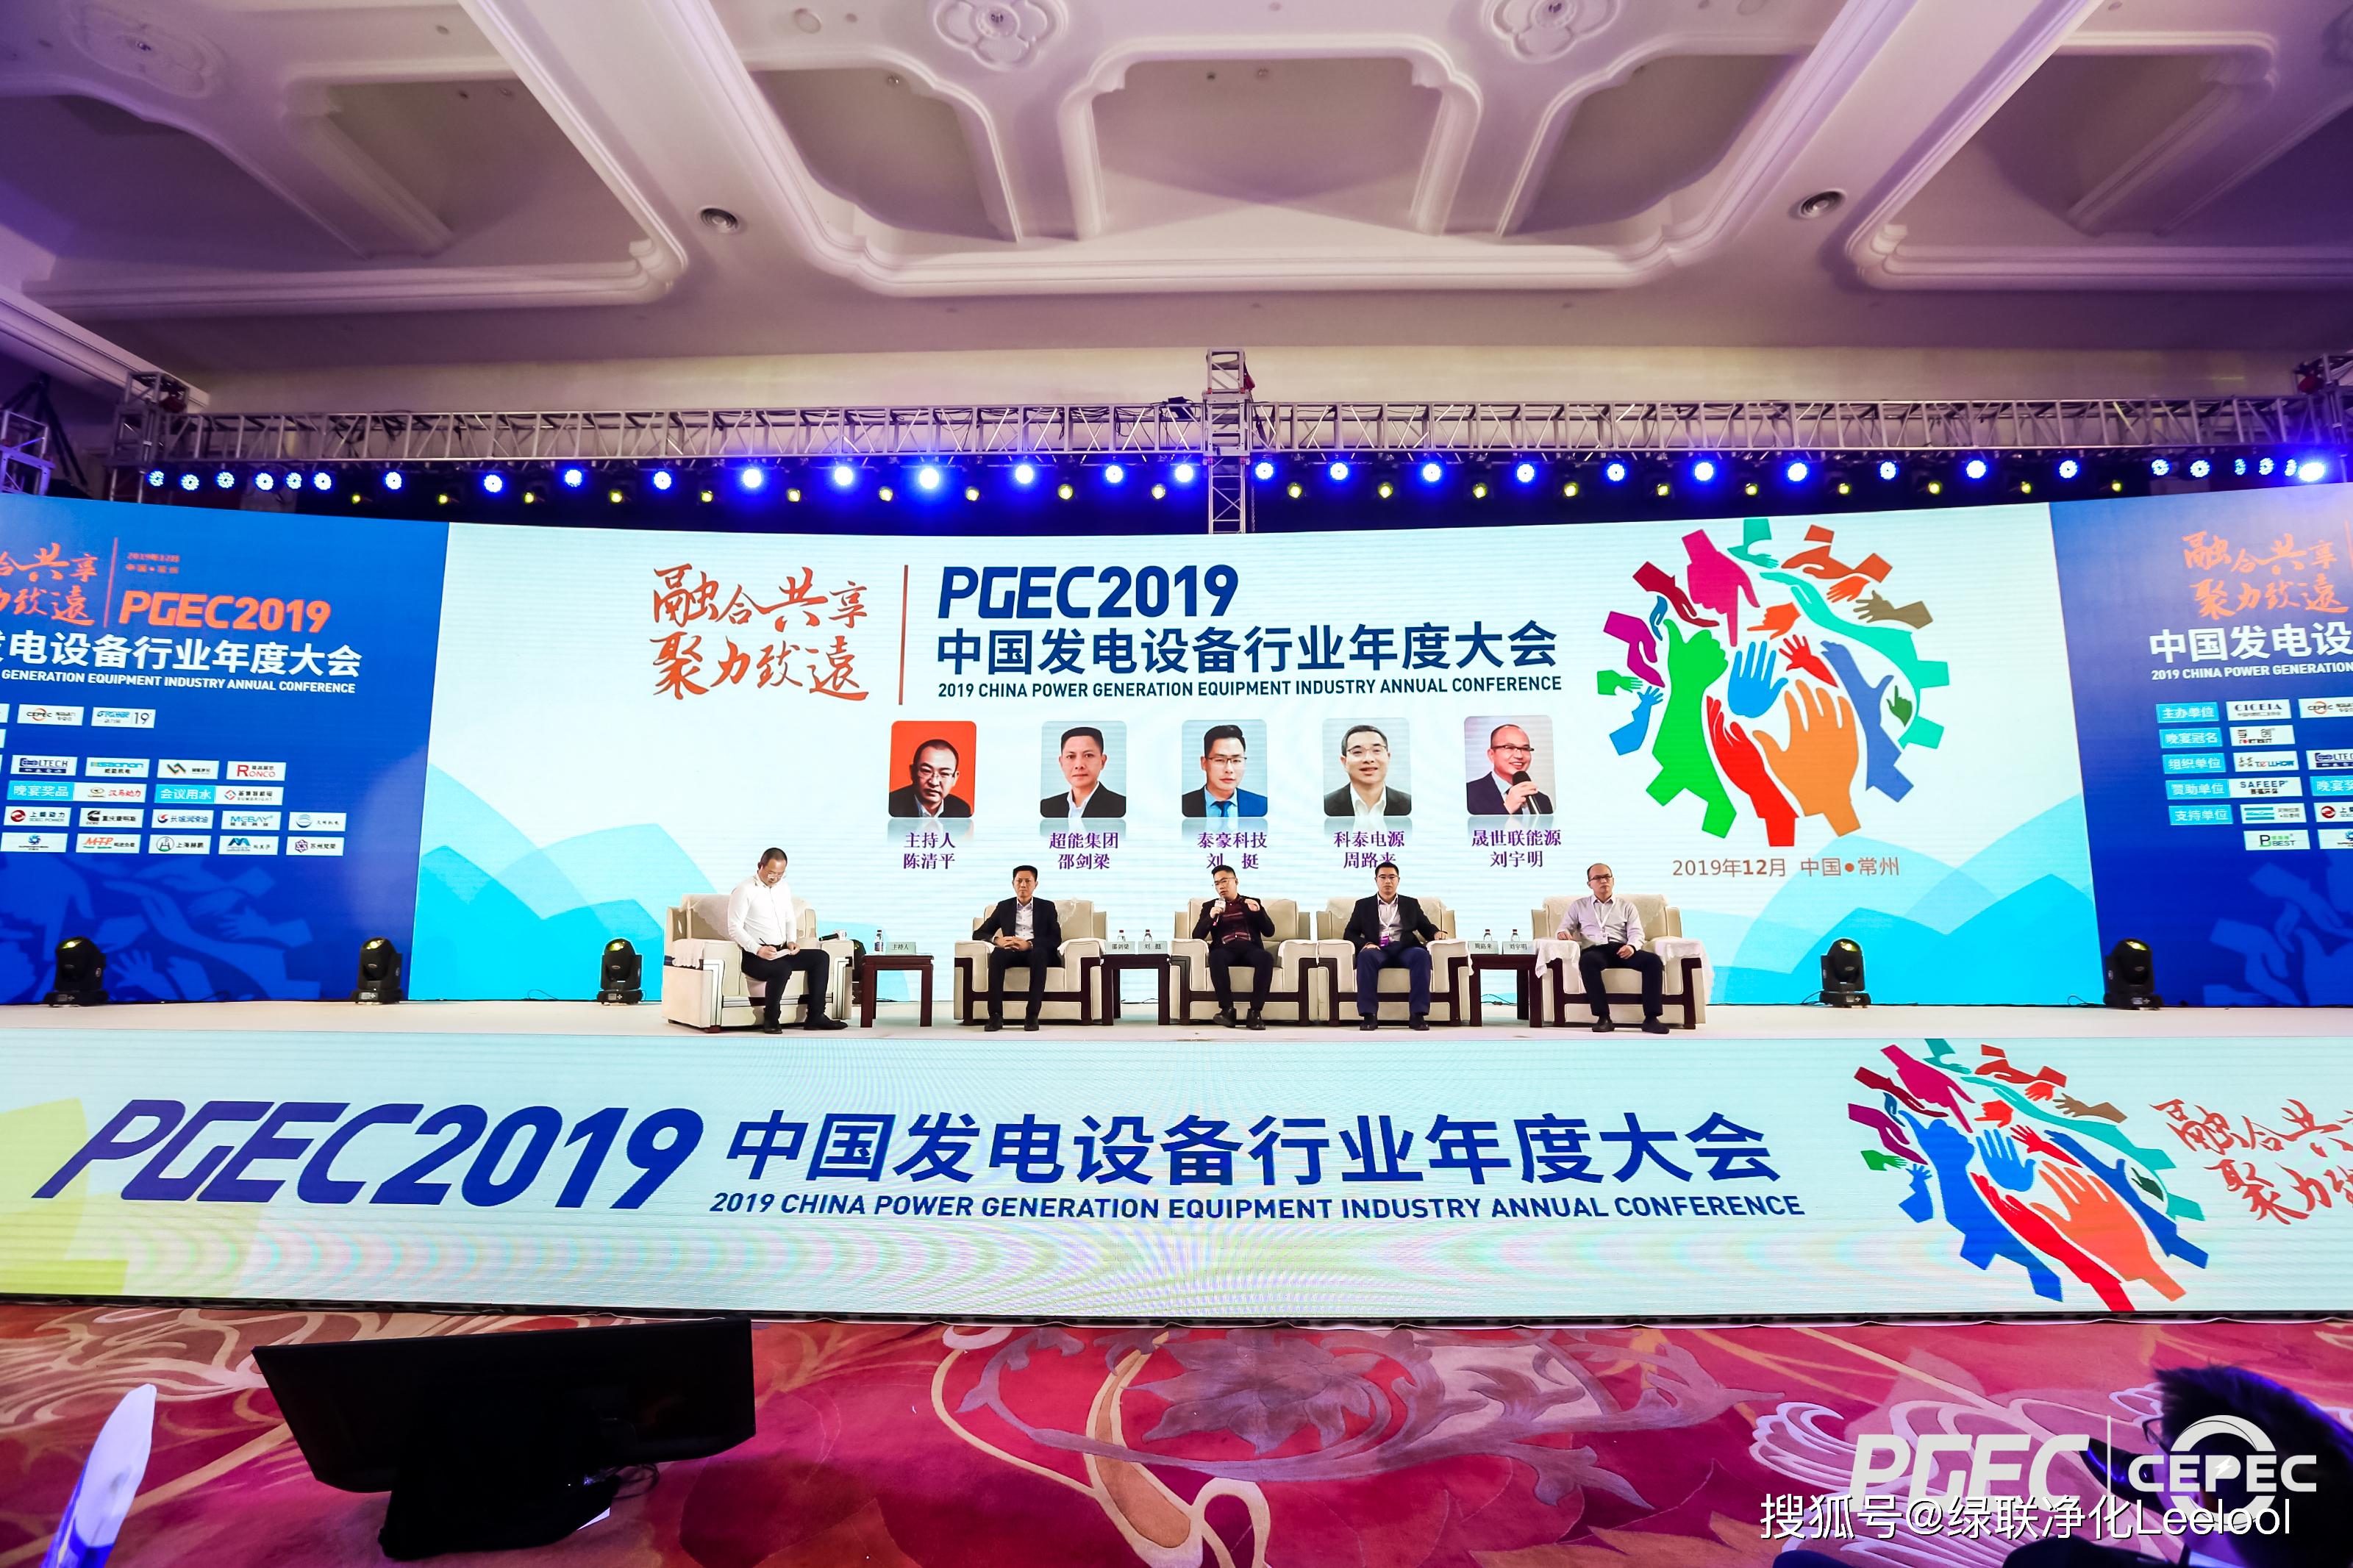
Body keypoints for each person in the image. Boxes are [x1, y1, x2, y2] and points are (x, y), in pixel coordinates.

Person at [726, 848, 846, 1031]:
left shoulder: (783, 888)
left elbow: (789, 918)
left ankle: (816, 1016)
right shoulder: (744, 890)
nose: (775, 878)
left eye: (780, 874)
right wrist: (758, 949)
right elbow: (734, 927)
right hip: (755, 957)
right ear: (760, 866)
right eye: (771, 873)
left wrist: (791, 940)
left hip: (781, 951)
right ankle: (771, 1018)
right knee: (782, 968)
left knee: (821, 958)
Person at [1556, 864, 1668, 1034]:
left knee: (1653, 961)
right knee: (1587, 962)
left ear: (1613, 880)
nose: (1604, 881)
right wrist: (1562, 933)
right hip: (1595, 950)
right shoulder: (1579, 906)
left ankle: (1651, 1019)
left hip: (1622, 949)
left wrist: (1632, 946)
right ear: (1589, 884)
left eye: (1607, 877)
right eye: (1598, 878)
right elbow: (1564, 927)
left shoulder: (1626, 906)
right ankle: (1604, 1018)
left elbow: (1637, 932)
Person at [1343, 860, 1440, 1031]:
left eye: (1392, 877)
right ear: (1376, 880)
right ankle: (1369, 1016)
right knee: (1365, 956)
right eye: (1383, 877)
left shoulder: (1411, 903)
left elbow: (1425, 926)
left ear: (1398, 880)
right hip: (1378, 949)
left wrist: (1436, 933)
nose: (1387, 881)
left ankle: (1417, 1015)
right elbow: (1350, 933)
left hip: (1405, 949)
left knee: (1421, 955)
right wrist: (1366, 944)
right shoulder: (1363, 905)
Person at [974, 864, 1061, 1031]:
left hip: (1035, 951)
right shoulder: (1004, 906)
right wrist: (997, 940)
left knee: (1040, 954)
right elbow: (979, 933)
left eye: (1028, 881)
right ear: (1013, 883)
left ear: (1036, 884)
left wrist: (1029, 944)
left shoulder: (1047, 907)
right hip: (1010, 950)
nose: (1023, 885)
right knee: (997, 955)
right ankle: (995, 1016)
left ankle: (1032, 1016)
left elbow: (1055, 938)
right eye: (1019, 881)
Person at [1192, 864, 1275, 1028]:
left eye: (1224, 881)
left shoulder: (1252, 902)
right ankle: (1227, 1011)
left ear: (1236, 881)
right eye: (1217, 883)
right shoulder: (1209, 906)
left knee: (1266, 958)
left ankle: (1255, 1013)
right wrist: (1210, 916)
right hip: (1225, 949)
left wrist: (1258, 912)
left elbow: (1269, 932)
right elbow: (1197, 936)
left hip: (1250, 948)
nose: (1221, 886)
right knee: (1215, 956)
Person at [1322, 723, 1412, 817]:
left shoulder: (1409, 805)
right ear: (1344, 762)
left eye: (1376, 750)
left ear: (1388, 757)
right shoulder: (1325, 806)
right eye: (1357, 752)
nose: (1368, 759)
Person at [1181, 723, 1267, 818]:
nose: (1229, 769)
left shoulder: (1263, 806)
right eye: (1220, 760)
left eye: (1236, 760)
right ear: (1204, 763)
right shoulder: (1182, 805)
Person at [1040, 726, 1126, 818]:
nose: (1079, 765)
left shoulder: (1122, 807)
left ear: (1102, 761)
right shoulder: (1046, 808)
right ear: (1061, 763)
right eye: (1071, 757)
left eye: (1088, 755)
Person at [1465, 723, 1552, 815]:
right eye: (1510, 748)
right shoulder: (1469, 794)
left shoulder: (1543, 801)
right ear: (1492, 755)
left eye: (1525, 748)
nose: (1519, 756)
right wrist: (1507, 808)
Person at [888, 737, 971, 818]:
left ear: (955, 778)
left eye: (944, 773)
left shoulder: (961, 811)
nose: (934, 782)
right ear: (912, 772)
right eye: (926, 771)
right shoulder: (890, 806)